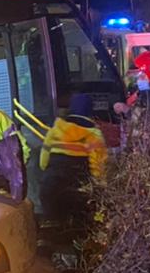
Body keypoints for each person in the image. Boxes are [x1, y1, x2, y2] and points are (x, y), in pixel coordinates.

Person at [39, 92, 107, 223]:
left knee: (54, 225)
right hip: (77, 191)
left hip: (50, 187)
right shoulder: (93, 134)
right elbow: (98, 166)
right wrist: (101, 188)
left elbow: (43, 162)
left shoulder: (56, 129)